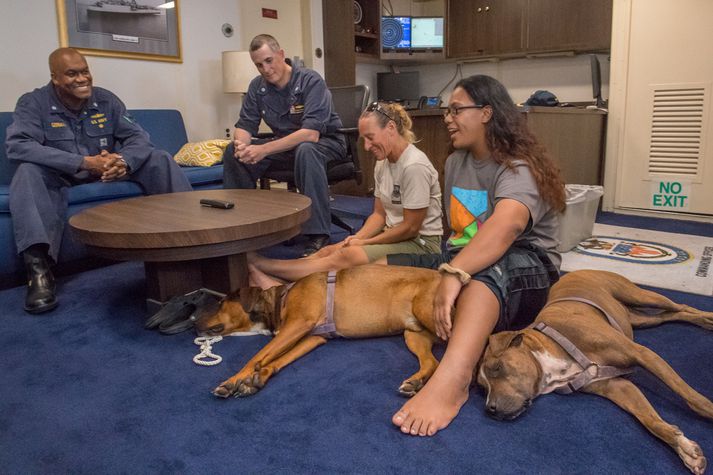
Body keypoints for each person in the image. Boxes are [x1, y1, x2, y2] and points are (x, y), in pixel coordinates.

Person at [382, 75, 566, 437]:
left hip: (528, 267)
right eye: (447, 111)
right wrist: (447, 267)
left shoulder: (519, 166)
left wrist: (454, 274)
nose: (447, 118)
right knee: (378, 267)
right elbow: (460, 236)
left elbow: (505, 229)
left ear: (486, 113)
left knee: (484, 272)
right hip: (465, 258)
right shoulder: (455, 163)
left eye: (456, 110)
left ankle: (454, 379)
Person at [6, 47, 192, 315]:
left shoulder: (106, 100)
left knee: (159, 158)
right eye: (72, 74)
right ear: (55, 78)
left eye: (85, 71)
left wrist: (123, 161)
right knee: (27, 172)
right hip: (61, 174)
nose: (82, 79)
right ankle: (39, 274)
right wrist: (83, 163)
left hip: (107, 170)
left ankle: (193, 243)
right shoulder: (33, 103)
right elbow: (18, 146)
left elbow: (139, 138)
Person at [248, 101, 443, 287]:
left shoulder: (414, 166)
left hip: (422, 245)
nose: (366, 146)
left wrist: (365, 243)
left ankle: (264, 267)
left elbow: (410, 228)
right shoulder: (383, 163)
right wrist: (353, 239)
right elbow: (379, 215)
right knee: (330, 250)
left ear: (391, 128)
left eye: (370, 137)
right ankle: (280, 279)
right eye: (363, 139)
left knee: (347, 256)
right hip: (396, 236)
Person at [222, 34, 347, 257]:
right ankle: (242, 228)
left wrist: (262, 150)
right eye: (259, 64)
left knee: (306, 150)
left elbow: (310, 134)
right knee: (232, 152)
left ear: (281, 55)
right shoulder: (257, 87)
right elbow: (245, 125)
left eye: (269, 60)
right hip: (287, 147)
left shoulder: (310, 80)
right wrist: (242, 146)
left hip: (326, 142)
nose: (266, 69)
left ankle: (318, 233)